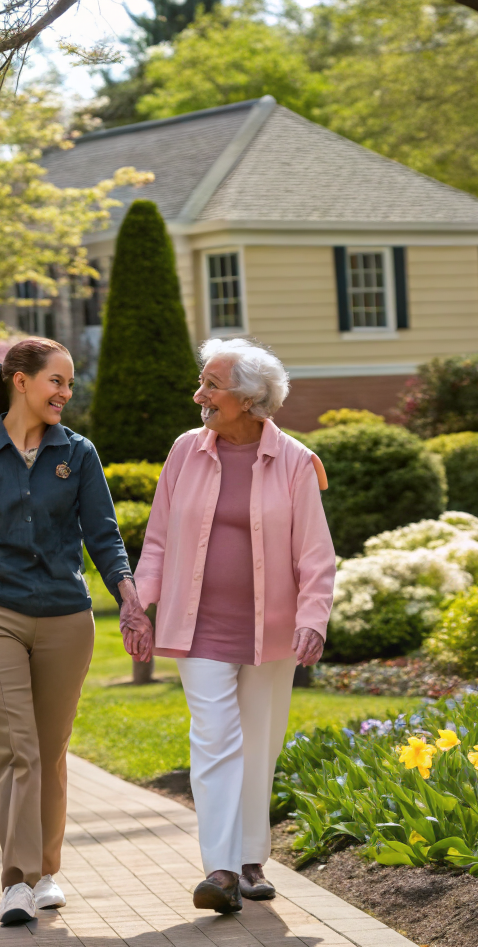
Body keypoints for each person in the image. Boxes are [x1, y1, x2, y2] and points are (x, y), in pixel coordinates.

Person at [0, 337, 153, 926]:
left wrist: (129, 600)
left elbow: (104, 537)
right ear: (20, 381)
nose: (66, 393)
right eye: (57, 381)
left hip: (64, 618)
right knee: (16, 749)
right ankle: (17, 882)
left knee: (51, 752)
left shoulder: (77, 455)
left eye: (70, 383)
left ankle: (47, 872)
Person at [131, 338, 335, 914]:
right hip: (198, 626)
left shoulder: (293, 459)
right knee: (215, 737)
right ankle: (219, 869)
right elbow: (160, 538)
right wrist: (138, 603)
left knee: (260, 744)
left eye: (211, 386)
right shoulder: (185, 451)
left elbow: (315, 554)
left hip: (268, 629)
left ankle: (251, 861)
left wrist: (312, 618)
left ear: (248, 399)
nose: (200, 395)